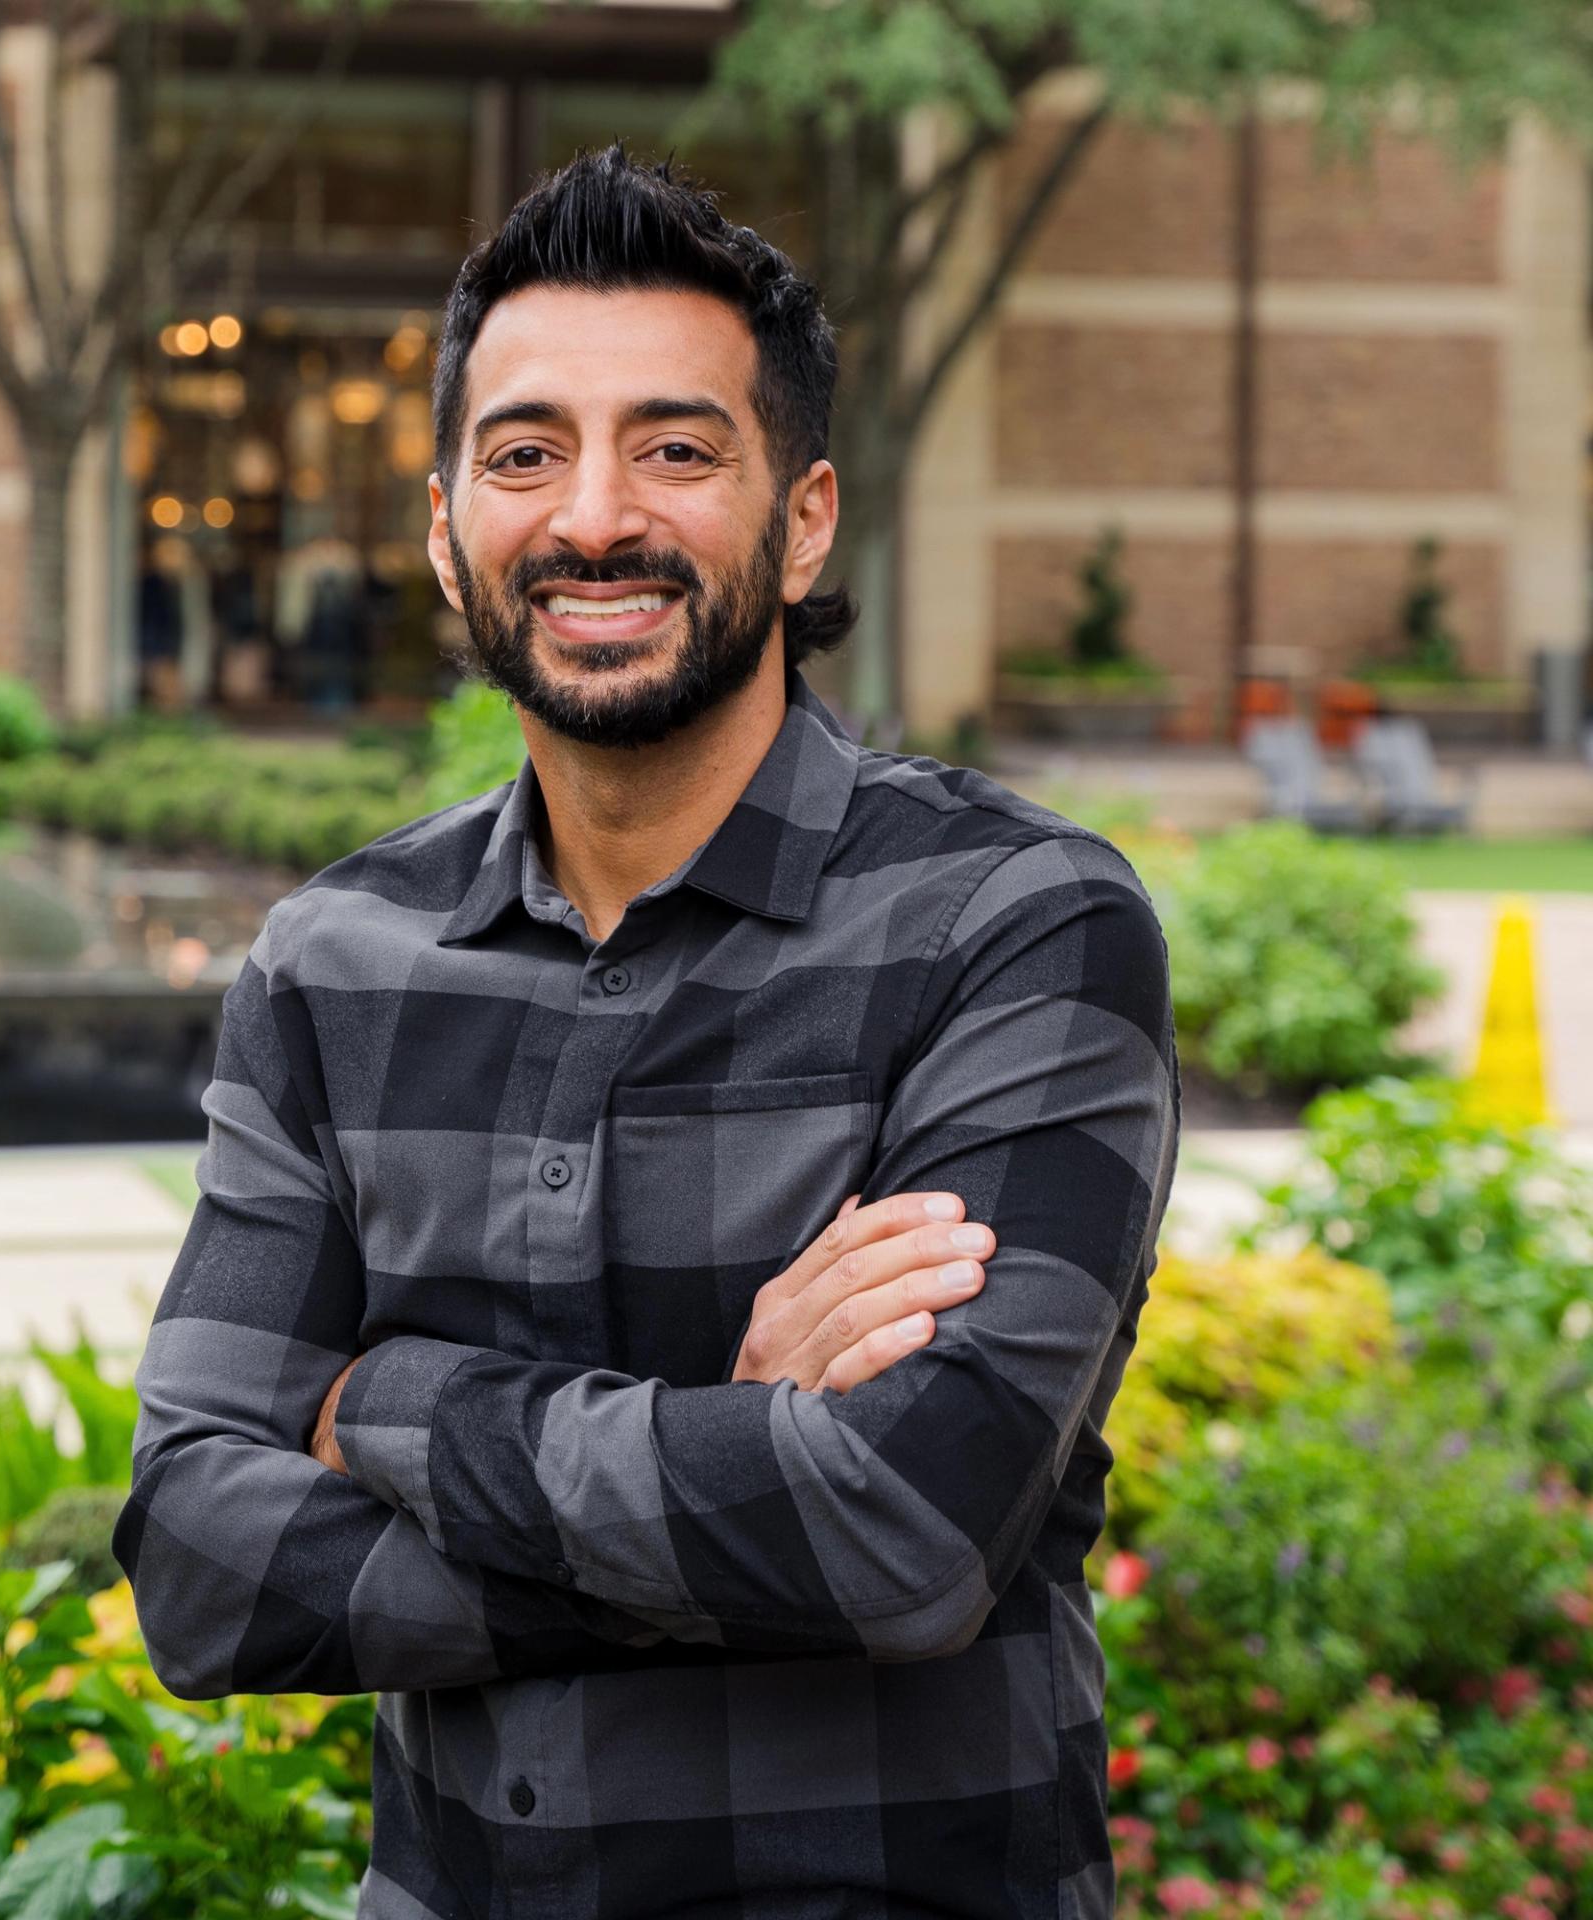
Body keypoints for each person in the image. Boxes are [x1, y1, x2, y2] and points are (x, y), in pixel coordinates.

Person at [113, 144, 1180, 1920]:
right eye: (525, 453)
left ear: (806, 515)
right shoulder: (337, 958)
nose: (594, 516)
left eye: (677, 450)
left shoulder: (1016, 928)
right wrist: (729, 1453)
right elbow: (202, 1574)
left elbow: (900, 1537)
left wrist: (395, 1403)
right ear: (449, 525)